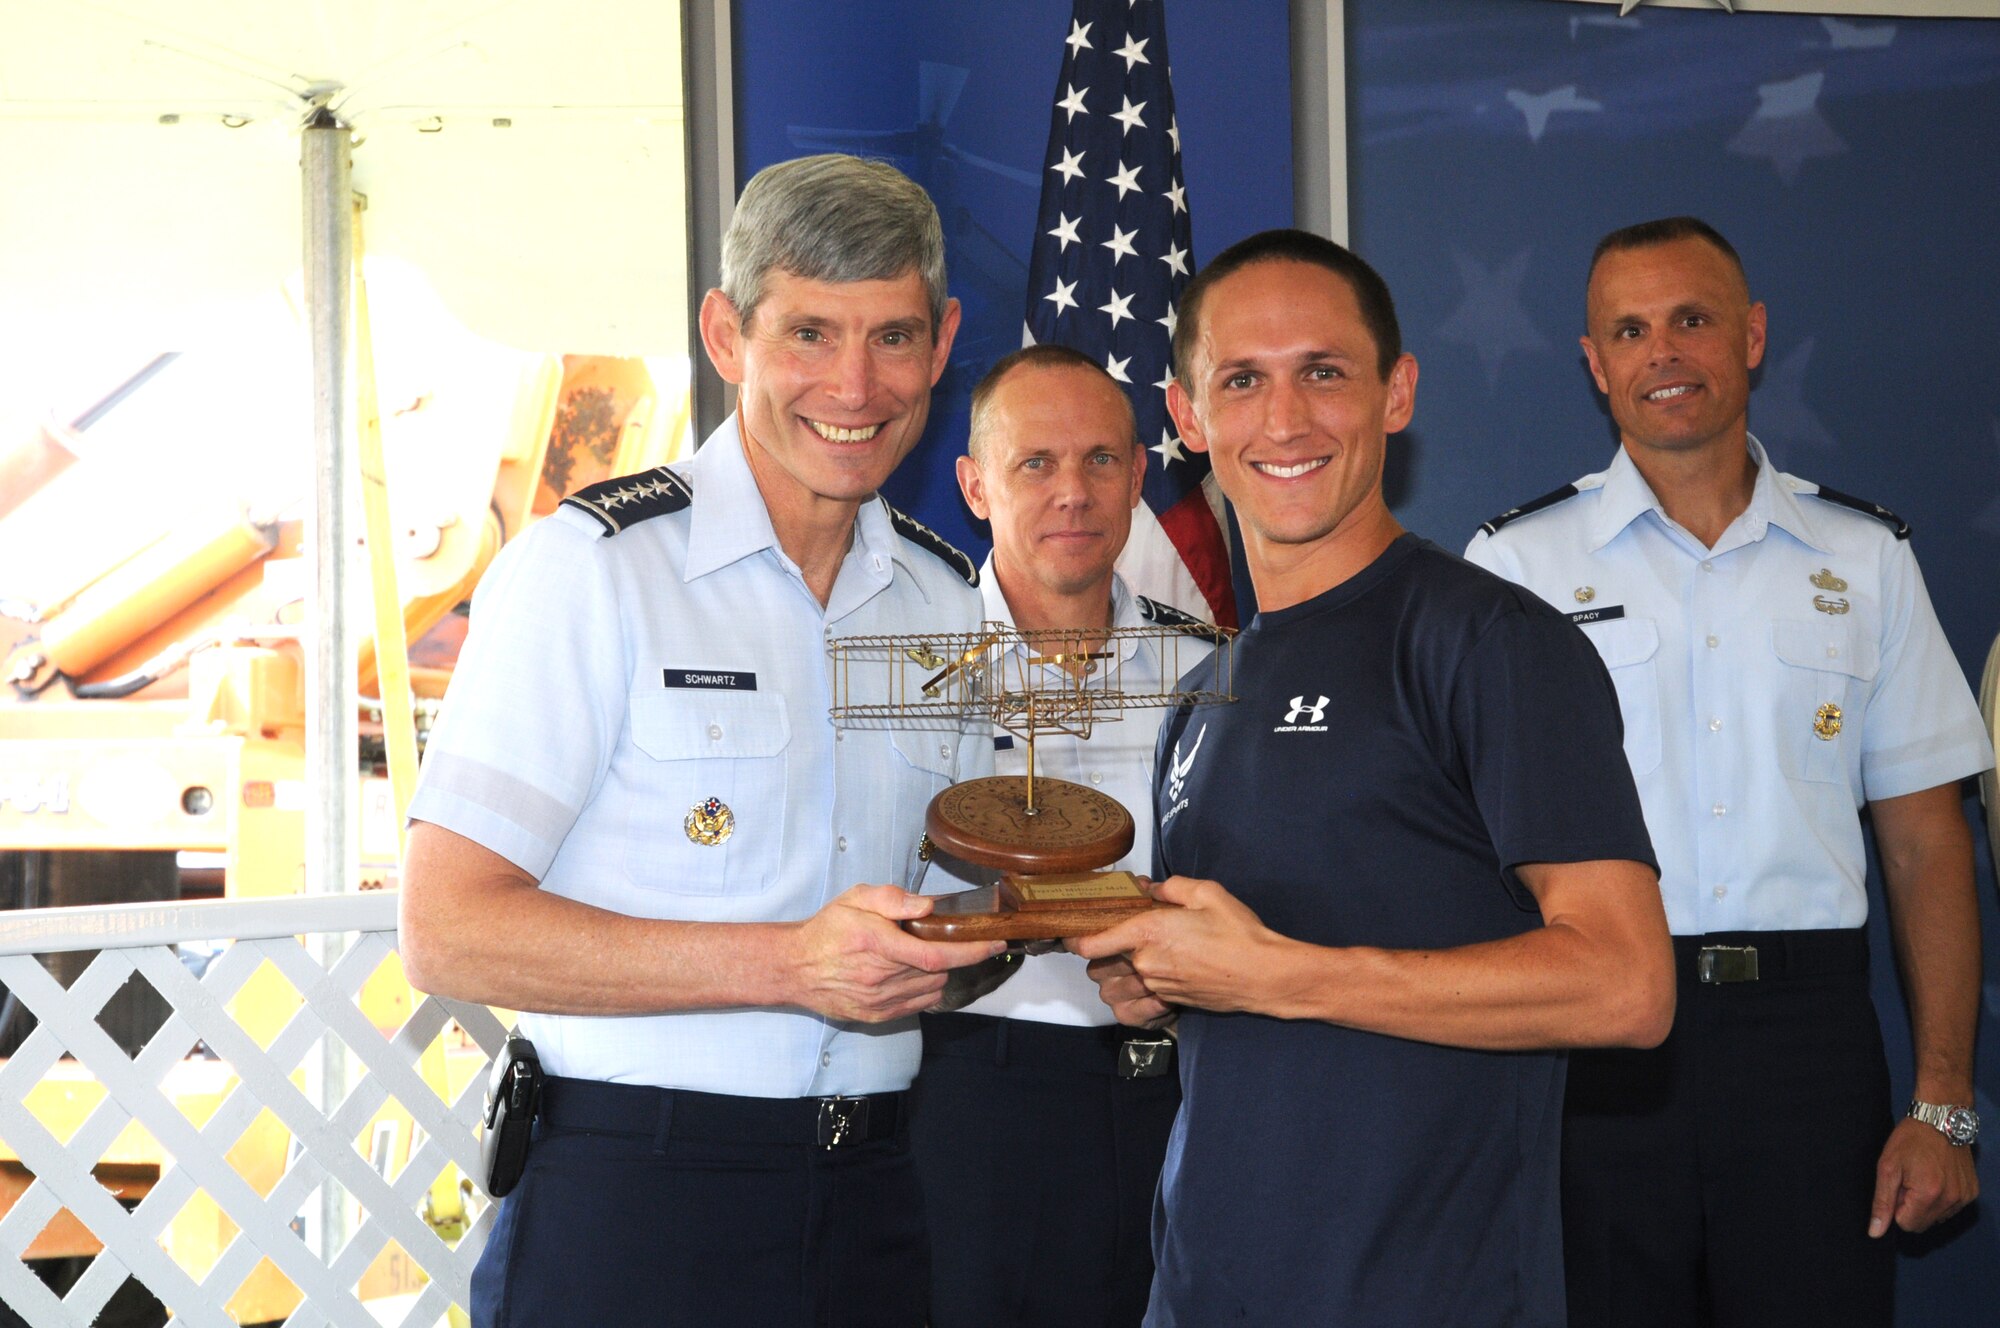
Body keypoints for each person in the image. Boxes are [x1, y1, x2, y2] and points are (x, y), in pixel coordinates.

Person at [397, 153, 1008, 1328]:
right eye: (809, 334)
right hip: (637, 1203)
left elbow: (948, 906)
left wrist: (1040, 933)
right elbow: (446, 929)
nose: (854, 382)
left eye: (891, 337)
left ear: (943, 344)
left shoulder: (942, 600)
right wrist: (790, 964)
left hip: (879, 1197)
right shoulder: (593, 571)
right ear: (726, 335)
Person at [1070, 228, 1676, 1327]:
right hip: (1203, 1290)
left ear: (1395, 393)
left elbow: (1625, 985)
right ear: (1186, 418)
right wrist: (1164, 980)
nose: (1285, 419)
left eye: (1324, 372)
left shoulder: (1487, 641)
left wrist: (1272, 973)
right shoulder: (1204, 689)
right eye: (1242, 380)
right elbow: (1258, 971)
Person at [1464, 216, 1987, 1328]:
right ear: (1592, 362)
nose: (1662, 352)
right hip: (1591, 1044)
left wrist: (1941, 1102)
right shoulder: (1512, 566)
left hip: (1805, 1050)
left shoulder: (1865, 557)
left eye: (1690, 319)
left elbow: (1924, 836)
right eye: (1629, 329)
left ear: (1748, 336)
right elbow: (1466, 850)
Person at [910, 345, 1215, 1327]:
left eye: (1097, 460)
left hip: (1184, 1092)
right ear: (974, 486)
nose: (1071, 493)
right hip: (976, 1099)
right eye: (1034, 463)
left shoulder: (1212, 670)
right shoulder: (910, 667)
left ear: (1136, 475)